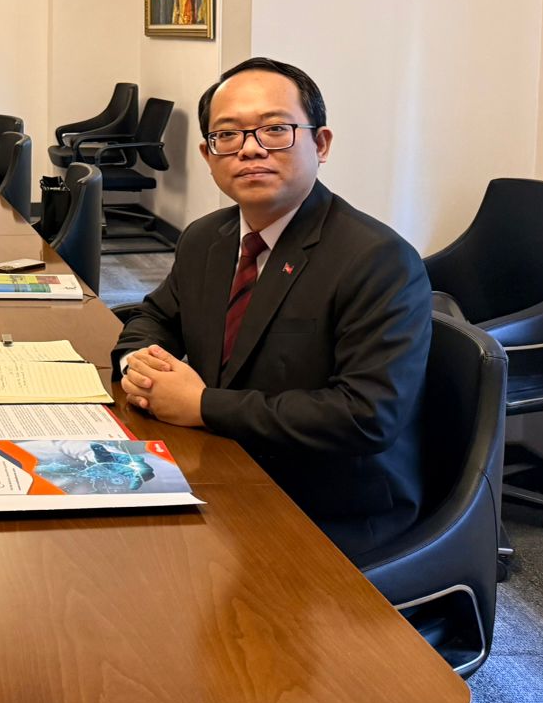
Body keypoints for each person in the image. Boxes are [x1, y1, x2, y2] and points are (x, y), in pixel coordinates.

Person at [114, 57, 430, 560]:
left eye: (275, 130)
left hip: (329, 506)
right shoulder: (207, 238)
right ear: (208, 154)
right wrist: (139, 363)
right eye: (228, 135)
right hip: (225, 464)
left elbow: (366, 416)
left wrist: (202, 405)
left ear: (320, 144)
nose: (251, 149)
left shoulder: (377, 260)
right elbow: (154, 316)